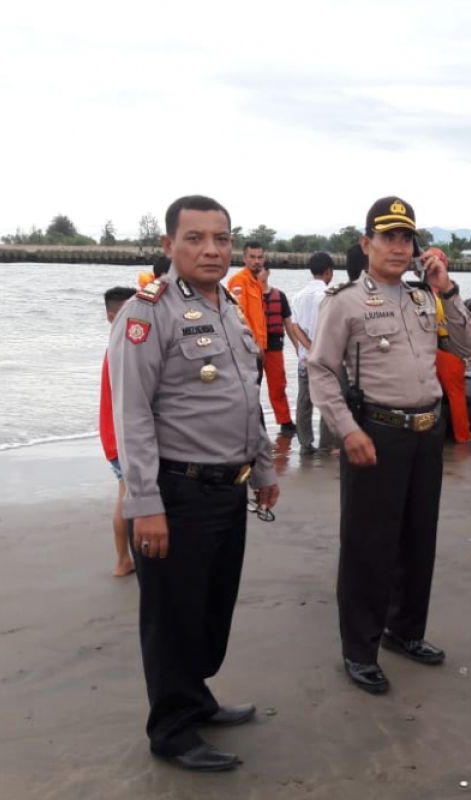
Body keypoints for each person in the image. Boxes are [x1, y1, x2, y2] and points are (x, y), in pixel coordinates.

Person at [109, 195, 280, 771]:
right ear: (168, 246)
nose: (211, 249)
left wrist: (263, 467)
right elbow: (131, 415)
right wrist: (144, 505)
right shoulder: (144, 314)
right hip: (176, 493)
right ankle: (173, 731)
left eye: (221, 238)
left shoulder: (229, 306)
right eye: (195, 238)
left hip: (226, 488)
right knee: (173, 614)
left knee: (210, 606)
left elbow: (245, 395)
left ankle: (197, 699)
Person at [307, 196, 471, 695]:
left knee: (418, 539)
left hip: (425, 433)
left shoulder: (426, 299)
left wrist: (448, 290)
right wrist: (347, 430)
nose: (400, 248)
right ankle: (359, 650)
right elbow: (320, 369)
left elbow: (464, 348)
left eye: (407, 239)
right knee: (367, 546)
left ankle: (405, 631)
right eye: (389, 238)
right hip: (375, 434)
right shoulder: (344, 303)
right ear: (367, 244)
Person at [99, 286, 138, 578]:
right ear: (112, 316)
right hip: (121, 437)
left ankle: (124, 558)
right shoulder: (121, 348)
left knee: (126, 494)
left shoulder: (125, 344)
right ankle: (123, 559)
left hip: (115, 434)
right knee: (128, 496)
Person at [433, 250, 471, 444]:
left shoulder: (418, 291)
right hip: (447, 351)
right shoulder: (445, 294)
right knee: (456, 395)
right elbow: (461, 327)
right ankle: (463, 434)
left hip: (427, 351)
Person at [291, 252, 333, 455]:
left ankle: (305, 443)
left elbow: (295, 327)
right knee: (328, 401)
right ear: (328, 272)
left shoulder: (298, 296)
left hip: (304, 358)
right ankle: (327, 444)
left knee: (304, 401)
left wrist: (308, 346)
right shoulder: (330, 295)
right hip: (325, 359)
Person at [258, 264, 300, 435]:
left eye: (262, 270)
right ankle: (254, 424)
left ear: (268, 272)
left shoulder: (280, 296)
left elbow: (289, 325)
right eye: (257, 270)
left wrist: (298, 346)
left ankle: (285, 421)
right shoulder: (250, 295)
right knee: (251, 387)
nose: (260, 274)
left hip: (275, 346)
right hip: (254, 347)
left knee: (278, 385)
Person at [226, 241, 268, 351]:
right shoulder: (239, 281)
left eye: (260, 257)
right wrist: (253, 343)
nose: (257, 261)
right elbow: (239, 315)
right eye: (252, 257)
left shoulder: (257, 283)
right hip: (248, 347)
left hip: (259, 346)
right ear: (244, 258)